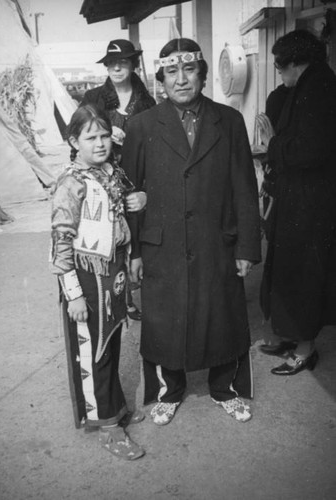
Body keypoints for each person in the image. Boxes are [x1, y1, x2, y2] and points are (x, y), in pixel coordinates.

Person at [121, 38, 261, 425]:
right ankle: (171, 391)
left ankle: (224, 389)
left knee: (222, 316)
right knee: (166, 320)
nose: (181, 80)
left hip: (217, 240)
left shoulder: (229, 121)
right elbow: (130, 192)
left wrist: (247, 246)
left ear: (201, 74)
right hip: (161, 245)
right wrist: (133, 252)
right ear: (160, 79)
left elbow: (245, 189)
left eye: (188, 70)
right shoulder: (141, 125)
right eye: (171, 72)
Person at [49, 104, 145, 460]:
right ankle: (107, 426)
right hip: (87, 279)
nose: (100, 143)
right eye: (91, 137)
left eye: (105, 135)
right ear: (74, 141)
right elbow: (60, 243)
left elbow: (120, 217)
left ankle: (115, 407)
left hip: (113, 272)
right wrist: (72, 295)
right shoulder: (70, 183)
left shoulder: (110, 173)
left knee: (112, 343)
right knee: (94, 351)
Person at [256, 29, 336, 375]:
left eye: (279, 65)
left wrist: (273, 146)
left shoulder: (320, 89)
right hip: (297, 198)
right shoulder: (305, 86)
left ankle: (305, 347)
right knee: (287, 269)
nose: (278, 71)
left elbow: (311, 150)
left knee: (304, 273)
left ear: (294, 62)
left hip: (312, 202)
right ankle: (290, 335)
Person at [81, 39, 156, 321]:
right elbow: (77, 132)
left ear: (132, 65)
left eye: (122, 62)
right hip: (103, 175)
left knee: (135, 232)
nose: (115, 67)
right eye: (110, 63)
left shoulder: (147, 101)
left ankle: (131, 291)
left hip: (136, 176)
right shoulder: (94, 98)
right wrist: (104, 130)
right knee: (108, 233)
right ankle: (113, 295)